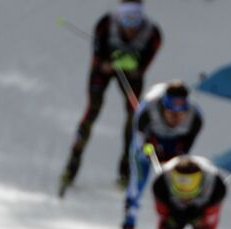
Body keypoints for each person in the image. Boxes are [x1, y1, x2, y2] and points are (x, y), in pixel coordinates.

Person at [58, 2, 163, 197]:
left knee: (134, 116)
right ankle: (70, 168)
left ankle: (126, 171)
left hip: (130, 75)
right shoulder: (105, 25)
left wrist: (134, 69)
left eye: (136, 18)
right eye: (126, 17)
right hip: (103, 71)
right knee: (92, 111)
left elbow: (143, 66)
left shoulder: (153, 34)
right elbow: (97, 58)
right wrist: (105, 64)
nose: (131, 25)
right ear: (118, 16)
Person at [118, 81, 204, 229]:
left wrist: (173, 157)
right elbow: (139, 142)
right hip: (147, 148)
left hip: (173, 147)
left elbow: (185, 147)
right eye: (170, 112)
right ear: (162, 106)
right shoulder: (147, 111)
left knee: (178, 194)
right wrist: (152, 150)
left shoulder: (195, 118)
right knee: (136, 190)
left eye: (180, 113)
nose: (175, 118)